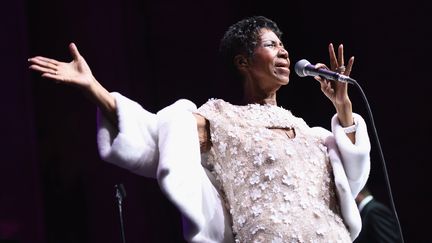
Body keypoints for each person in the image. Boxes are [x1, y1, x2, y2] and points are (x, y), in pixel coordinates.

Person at [28, 16, 371, 243]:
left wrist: (343, 108)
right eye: (271, 45)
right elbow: (153, 131)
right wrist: (94, 89)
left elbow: (352, 179)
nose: (283, 52)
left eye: (283, 46)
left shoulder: (310, 133)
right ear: (243, 62)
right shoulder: (221, 120)